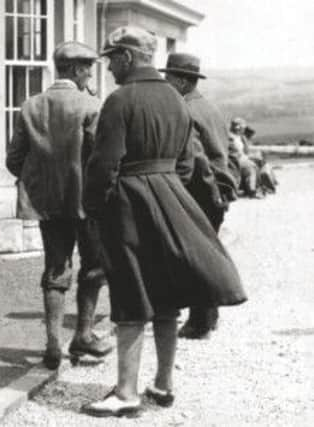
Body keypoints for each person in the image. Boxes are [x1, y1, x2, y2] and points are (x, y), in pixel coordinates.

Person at [82, 26, 247, 417]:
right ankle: (163, 383)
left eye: (110, 59)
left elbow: (104, 164)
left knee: (129, 295)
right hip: (171, 198)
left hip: (128, 204)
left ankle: (125, 392)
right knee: (166, 296)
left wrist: (95, 208)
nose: (109, 67)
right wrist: (168, 191)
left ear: (125, 57)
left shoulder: (120, 100)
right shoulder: (177, 99)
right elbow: (189, 165)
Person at [6, 41, 113, 370]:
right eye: (88, 69)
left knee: (55, 270)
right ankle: (82, 335)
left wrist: (40, 181)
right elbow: (102, 159)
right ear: (78, 69)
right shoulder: (92, 106)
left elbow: (14, 161)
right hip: (87, 203)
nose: (91, 74)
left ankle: (53, 344)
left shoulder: (30, 106)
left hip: (46, 204)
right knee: (94, 268)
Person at [160, 53, 238, 339]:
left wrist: (198, 194)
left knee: (195, 257)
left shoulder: (186, 110)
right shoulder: (209, 107)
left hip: (203, 192)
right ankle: (209, 315)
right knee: (207, 251)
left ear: (181, 81)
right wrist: (227, 189)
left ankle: (199, 322)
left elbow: (198, 161)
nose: (166, 83)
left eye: (169, 78)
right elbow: (227, 151)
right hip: (219, 190)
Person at [228, 117, 261, 198]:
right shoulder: (231, 138)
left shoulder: (239, 137)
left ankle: (257, 186)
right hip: (235, 160)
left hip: (240, 158)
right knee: (250, 166)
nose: (244, 130)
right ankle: (251, 190)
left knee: (258, 160)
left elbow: (246, 151)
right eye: (243, 128)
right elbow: (235, 153)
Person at [244, 126, 278, 194]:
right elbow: (245, 153)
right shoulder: (244, 140)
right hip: (246, 159)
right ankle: (272, 182)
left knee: (264, 163)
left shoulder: (245, 140)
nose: (252, 136)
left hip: (247, 158)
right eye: (251, 134)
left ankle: (272, 181)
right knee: (264, 164)